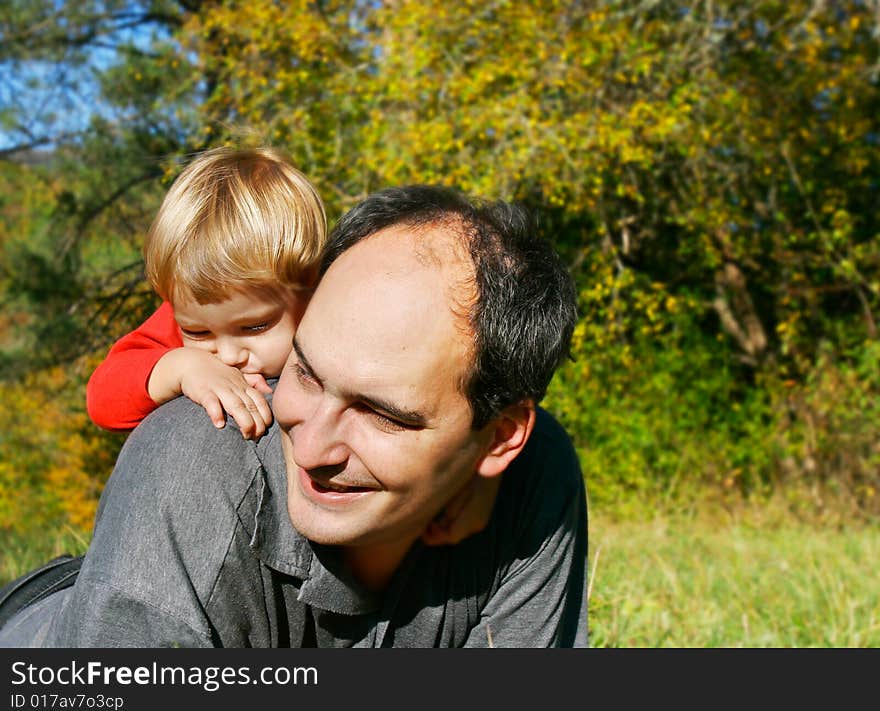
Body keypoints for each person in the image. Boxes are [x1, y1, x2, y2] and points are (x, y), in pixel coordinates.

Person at [0, 185, 587, 647]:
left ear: (500, 438)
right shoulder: (198, 446)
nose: (310, 452)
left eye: (382, 415)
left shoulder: (533, 478)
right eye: (304, 373)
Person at [86, 145, 326, 440]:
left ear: (311, 290)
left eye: (254, 326)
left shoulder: (337, 312)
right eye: (198, 333)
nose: (226, 355)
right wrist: (182, 367)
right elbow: (102, 398)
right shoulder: (190, 316)